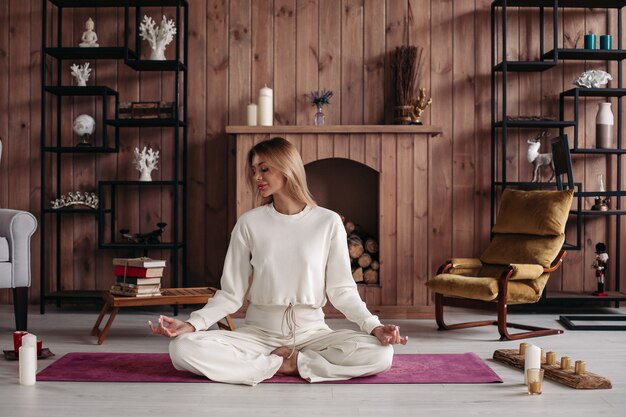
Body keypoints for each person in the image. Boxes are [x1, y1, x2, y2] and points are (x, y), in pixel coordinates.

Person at [149, 137, 408, 386]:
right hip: (258, 335)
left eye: (264, 169)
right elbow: (231, 294)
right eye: (253, 171)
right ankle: (279, 363)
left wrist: (374, 326)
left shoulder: (327, 222)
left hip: (313, 334)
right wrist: (193, 323)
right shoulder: (249, 223)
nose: (256, 177)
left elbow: (341, 290)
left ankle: (293, 363)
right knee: (182, 348)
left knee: (380, 354)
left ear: (287, 168)